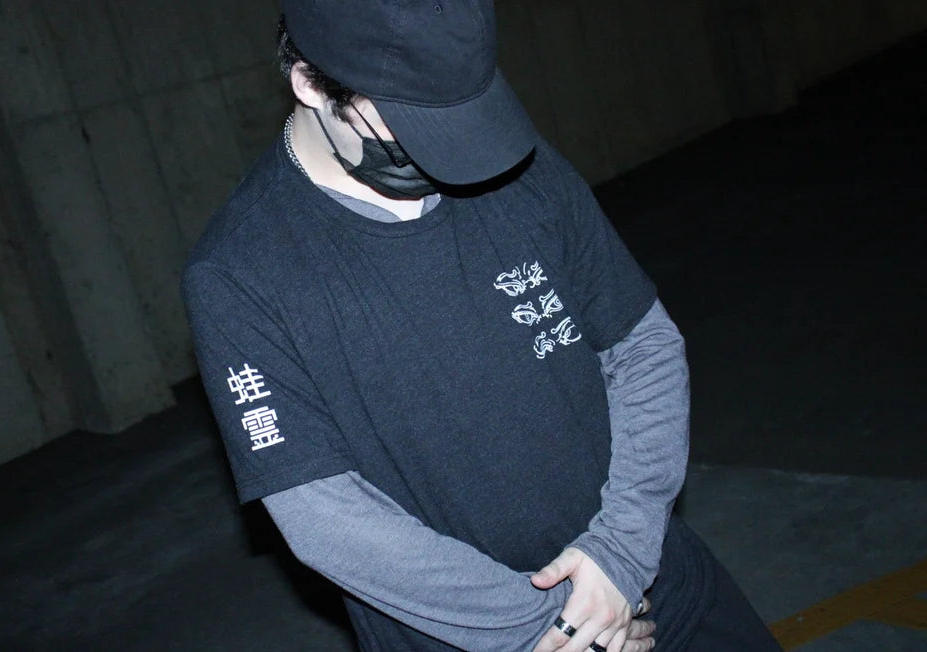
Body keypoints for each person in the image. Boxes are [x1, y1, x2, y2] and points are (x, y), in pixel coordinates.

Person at [181, 2, 783, 651]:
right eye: (411, 122)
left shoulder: (511, 162)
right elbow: (322, 514)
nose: (448, 154)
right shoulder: (240, 272)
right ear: (309, 82)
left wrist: (621, 551)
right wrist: (549, 631)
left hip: (653, 585)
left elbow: (643, 345)